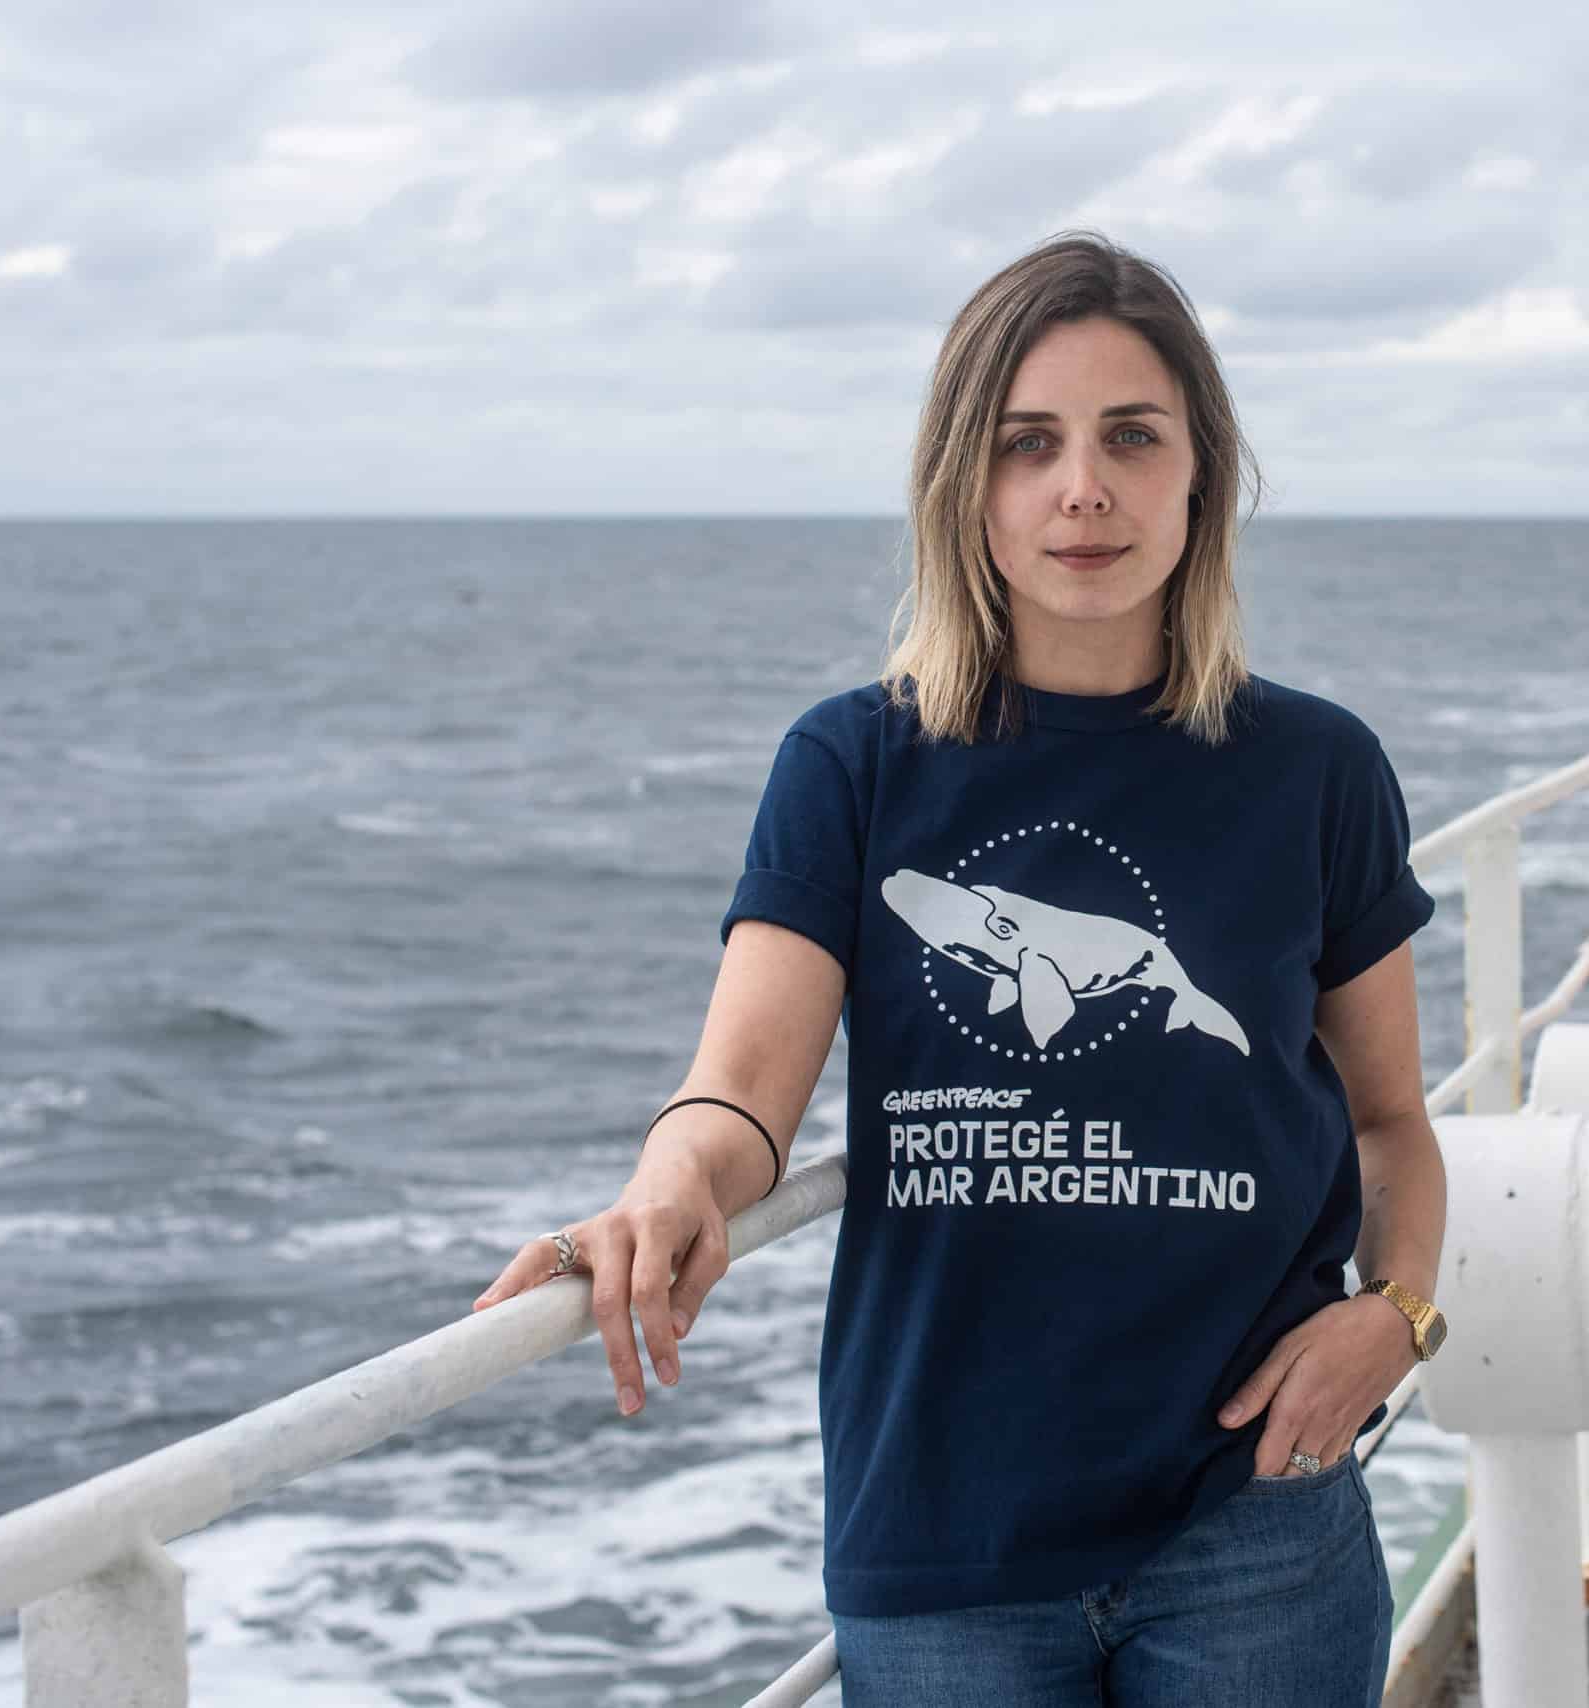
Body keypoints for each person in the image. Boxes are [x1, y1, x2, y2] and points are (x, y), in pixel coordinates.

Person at [474, 229, 1450, 1707]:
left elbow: (1389, 1121)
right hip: (946, 1536)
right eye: (1026, 445)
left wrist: (1400, 1316)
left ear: (1202, 473)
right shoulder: (851, 765)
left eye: (1133, 437)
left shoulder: (1316, 771)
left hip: (1256, 1514)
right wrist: (668, 1185)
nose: (1084, 489)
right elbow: (742, 1090)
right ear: (963, 487)